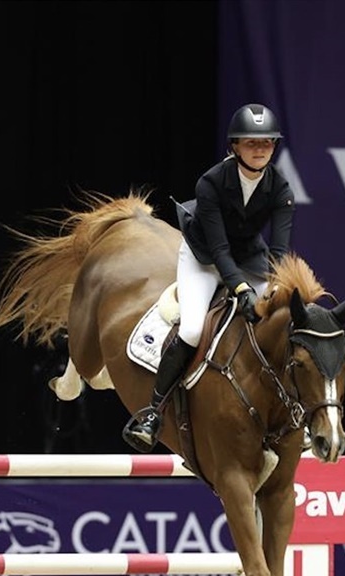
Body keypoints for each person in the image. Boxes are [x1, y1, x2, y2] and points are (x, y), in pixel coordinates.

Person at [122, 103, 296, 452]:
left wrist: (274, 290)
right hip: (203, 258)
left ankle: (293, 414)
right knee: (191, 329)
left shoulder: (280, 189)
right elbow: (218, 249)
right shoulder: (211, 182)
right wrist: (241, 288)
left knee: (280, 325)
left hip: (249, 259)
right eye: (251, 142)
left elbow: (279, 251)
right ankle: (152, 413)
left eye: (266, 142)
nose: (260, 149)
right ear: (234, 146)